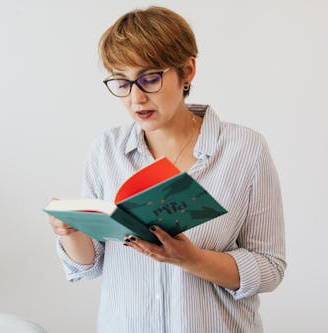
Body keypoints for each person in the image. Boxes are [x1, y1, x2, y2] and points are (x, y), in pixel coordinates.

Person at [48, 6, 286, 333]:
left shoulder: (245, 150)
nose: (136, 98)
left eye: (149, 79)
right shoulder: (107, 150)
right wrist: (72, 231)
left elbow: (271, 268)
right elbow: (89, 267)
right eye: (122, 82)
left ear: (187, 71)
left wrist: (193, 259)